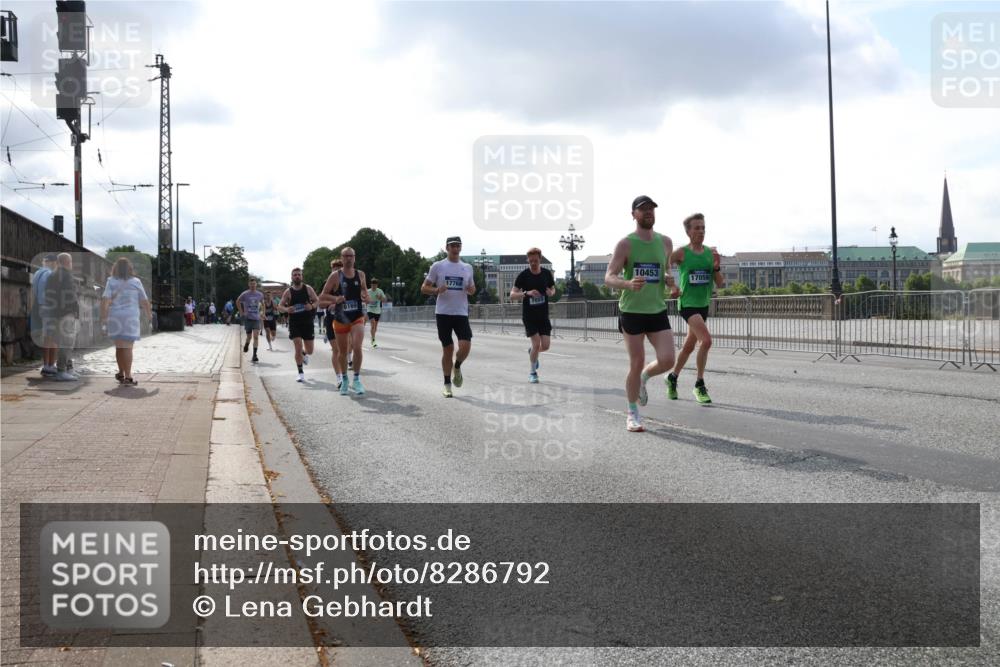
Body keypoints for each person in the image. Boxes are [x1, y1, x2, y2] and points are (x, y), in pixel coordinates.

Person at [604, 196, 679, 432]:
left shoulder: (666, 242)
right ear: (633, 214)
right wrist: (627, 284)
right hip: (632, 311)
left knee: (668, 360)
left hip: (656, 309)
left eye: (651, 209)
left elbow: (665, 270)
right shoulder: (625, 244)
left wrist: (670, 283)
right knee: (636, 362)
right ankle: (632, 412)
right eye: (643, 209)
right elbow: (609, 277)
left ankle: (645, 378)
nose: (648, 212)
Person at [667, 213, 724, 404]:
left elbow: (721, 284)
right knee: (706, 341)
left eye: (703, 228)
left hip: (703, 304)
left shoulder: (710, 253)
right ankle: (699, 384)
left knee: (689, 346)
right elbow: (664, 265)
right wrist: (673, 286)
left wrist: (716, 267)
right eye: (697, 228)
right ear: (688, 231)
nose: (701, 231)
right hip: (688, 304)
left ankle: (672, 378)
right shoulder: (682, 252)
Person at [421, 236, 475, 398]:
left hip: (461, 313)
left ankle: (457, 367)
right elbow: (424, 288)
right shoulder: (438, 266)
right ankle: (447, 384)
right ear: (447, 248)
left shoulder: (467, 267)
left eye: (458, 245)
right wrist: (436, 290)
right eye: (452, 246)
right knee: (448, 349)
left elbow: (472, 288)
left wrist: (471, 289)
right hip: (443, 313)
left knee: (465, 346)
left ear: (461, 248)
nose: (455, 248)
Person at [319, 248, 369, 395]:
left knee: (357, 346)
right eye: (345, 256)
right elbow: (322, 297)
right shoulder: (335, 276)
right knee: (342, 352)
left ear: (354, 258)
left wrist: (366, 296)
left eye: (351, 256)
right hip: (341, 318)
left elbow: (364, 291)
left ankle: (357, 379)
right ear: (342, 258)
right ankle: (345, 379)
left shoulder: (361, 274)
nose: (348, 258)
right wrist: (335, 299)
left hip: (357, 317)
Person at [100, 257, 152, 386]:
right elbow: (144, 301)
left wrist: (104, 317)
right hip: (131, 316)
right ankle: (128, 376)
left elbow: (105, 300)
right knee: (128, 347)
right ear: (130, 269)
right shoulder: (136, 281)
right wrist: (149, 315)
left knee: (119, 347)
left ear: (115, 268)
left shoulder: (111, 281)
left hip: (115, 316)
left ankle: (121, 373)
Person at [511, 248, 556, 384]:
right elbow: (512, 295)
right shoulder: (524, 275)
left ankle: (532, 352)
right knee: (536, 343)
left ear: (540, 259)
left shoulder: (547, 274)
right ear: (528, 260)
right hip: (529, 316)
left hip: (543, 315)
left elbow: (553, 289)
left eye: (535, 261)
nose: (533, 264)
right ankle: (532, 372)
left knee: (546, 346)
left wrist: (551, 292)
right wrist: (526, 293)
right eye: (531, 262)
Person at [279, 267, 320, 383]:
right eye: (295, 275)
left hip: (307, 322)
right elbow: (280, 307)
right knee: (297, 347)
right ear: (292, 277)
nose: (297, 276)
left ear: (302, 276)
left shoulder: (308, 289)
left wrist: (311, 306)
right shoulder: (288, 292)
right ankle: (300, 373)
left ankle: (304, 353)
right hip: (294, 323)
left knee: (310, 351)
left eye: (299, 275)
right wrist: (287, 309)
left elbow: (317, 301)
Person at [44, 253, 80, 381]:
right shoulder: (66, 275)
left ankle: (68, 369)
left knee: (62, 342)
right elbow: (70, 296)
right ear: (67, 262)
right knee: (67, 342)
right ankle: (62, 370)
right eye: (71, 262)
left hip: (55, 313)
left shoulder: (52, 275)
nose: (71, 265)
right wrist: (74, 310)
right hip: (66, 313)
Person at [30, 253, 58, 377]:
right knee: (53, 337)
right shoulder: (49, 274)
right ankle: (50, 366)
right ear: (52, 262)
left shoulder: (37, 274)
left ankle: (46, 364)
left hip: (40, 307)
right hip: (50, 308)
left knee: (47, 337)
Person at [322, 259, 347, 388]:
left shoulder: (346, 283)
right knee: (336, 350)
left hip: (345, 319)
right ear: (331, 270)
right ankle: (339, 378)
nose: (337, 271)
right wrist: (331, 303)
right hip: (331, 320)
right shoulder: (327, 284)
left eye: (339, 268)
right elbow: (320, 302)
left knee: (345, 349)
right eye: (334, 269)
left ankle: (345, 375)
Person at [236, 279, 265, 363]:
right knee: (249, 337)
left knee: (256, 336)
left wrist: (263, 313)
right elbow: (237, 301)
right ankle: (247, 344)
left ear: (256, 285)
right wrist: (241, 312)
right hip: (248, 318)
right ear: (249, 285)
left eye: (254, 284)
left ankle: (254, 355)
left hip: (256, 319)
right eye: (251, 284)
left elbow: (263, 303)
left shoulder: (259, 294)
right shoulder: (245, 294)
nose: (253, 285)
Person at [366, 278, 390, 348]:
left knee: (375, 327)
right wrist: (367, 301)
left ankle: (372, 337)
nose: (374, 287)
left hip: (377, 311)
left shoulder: (380, 291)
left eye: (375, 285)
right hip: (370, 310)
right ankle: (373, 341)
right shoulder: (368, 291)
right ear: (371, 285)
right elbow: (365, 300)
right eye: (373, 285)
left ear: (377, 285)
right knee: (372, 324)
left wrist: (380, 298)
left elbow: (385, 300)